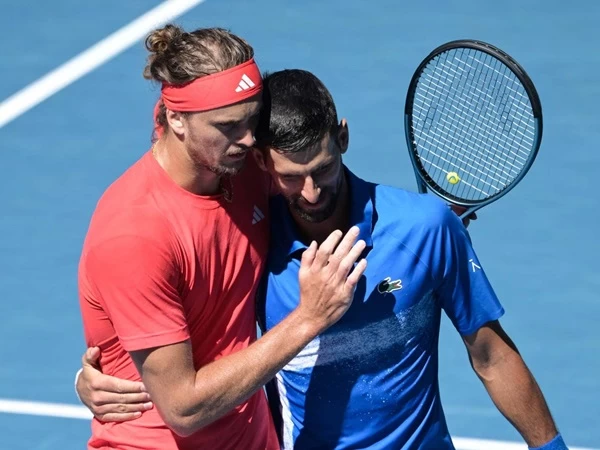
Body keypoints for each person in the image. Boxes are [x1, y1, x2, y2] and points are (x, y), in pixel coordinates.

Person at [77, 69, 568, 450]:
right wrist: (100, 373)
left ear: (343, 137)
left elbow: (492, 355)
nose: (311, 193)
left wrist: (552, 446)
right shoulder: (253, 243)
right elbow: (189, 344)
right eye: (290, 177)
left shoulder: (425, 228)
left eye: (323, 168)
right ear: (262, 163)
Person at [77, 24, 368, 450]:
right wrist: (308, 319)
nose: (249, 139)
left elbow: (318, 200)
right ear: (176, 119)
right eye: (229, 125)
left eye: (252, 119)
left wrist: (421, 224)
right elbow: (183, 409)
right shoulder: (134, 233)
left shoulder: (239, 166)